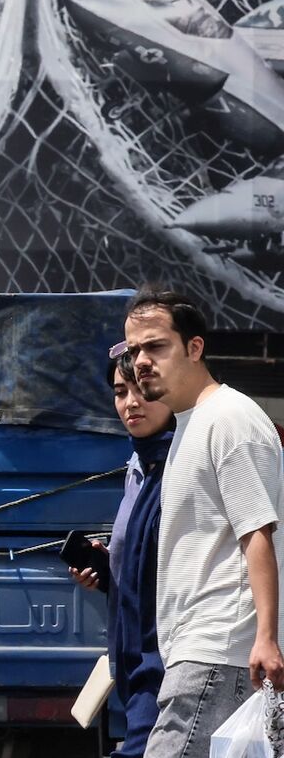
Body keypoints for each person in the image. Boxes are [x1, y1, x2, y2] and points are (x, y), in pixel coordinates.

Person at [121, 283, 284, 758]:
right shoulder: (190, 423)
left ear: (194, 348)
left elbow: (258, 532)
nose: (141, 361)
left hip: (218, 648)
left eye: (156, 346)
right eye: (133, 350)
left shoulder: (228, 418)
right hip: (198, 652)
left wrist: (266, 638)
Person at [69, 356, 172, 758]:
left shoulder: (185, 464)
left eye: (142, 390)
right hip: (132, 662)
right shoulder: (139, 466)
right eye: (119, 392)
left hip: (166, 663)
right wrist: (110, 571)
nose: (131, 402)